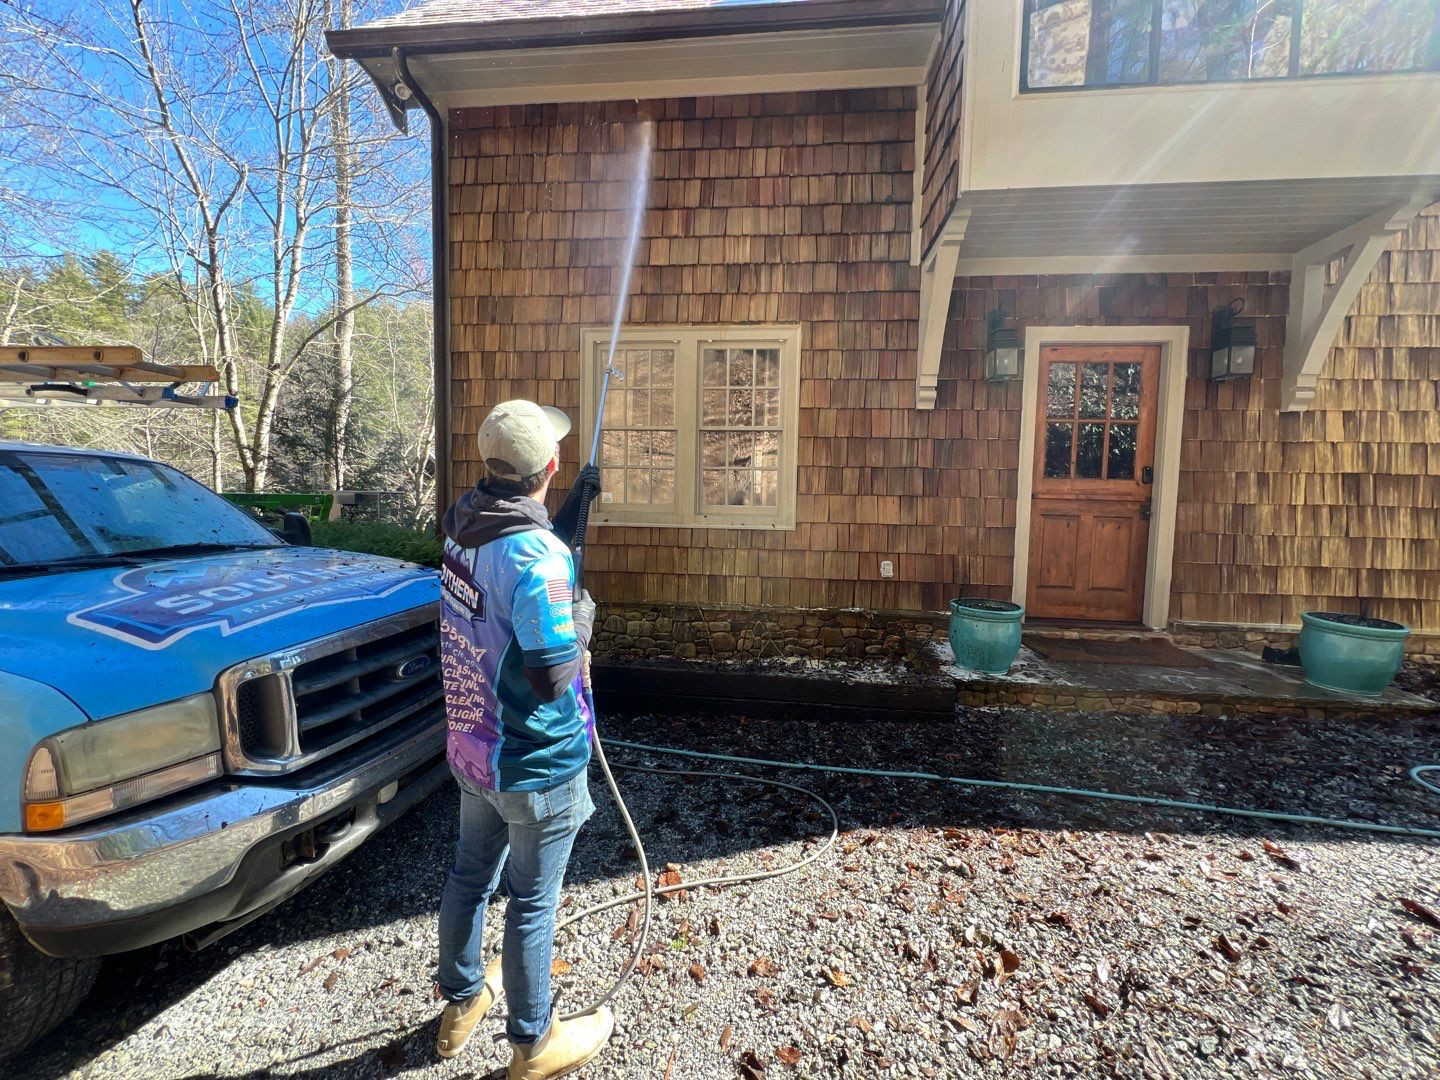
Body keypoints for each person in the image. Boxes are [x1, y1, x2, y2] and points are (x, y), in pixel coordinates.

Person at [433, 398, 610, 1078]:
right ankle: (533, 1045)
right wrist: (583, 621)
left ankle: (461, 1001)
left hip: (473, 745)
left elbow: (521, 569)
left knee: (469, 874)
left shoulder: (464, 527)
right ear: (551, 466)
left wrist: (573, 516)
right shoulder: (538, 558)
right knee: (532, 901)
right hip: (533, 762)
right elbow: (549, 677)